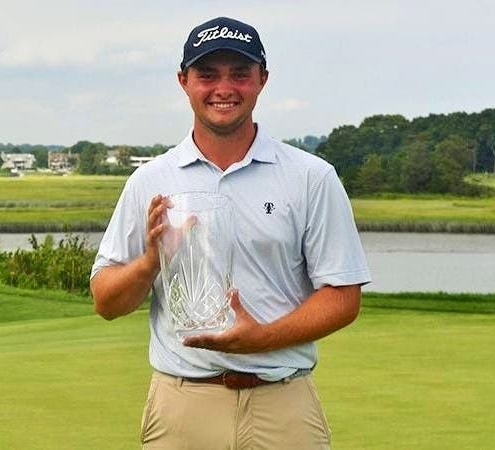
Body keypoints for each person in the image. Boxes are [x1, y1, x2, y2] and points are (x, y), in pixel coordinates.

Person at [90, 16, 371, 450]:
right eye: (208, 74)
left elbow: (343, 296)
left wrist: (262, 339)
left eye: (240, 73)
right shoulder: (151, 180)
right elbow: (107, 302)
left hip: (283, 403)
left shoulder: (311, 176)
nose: (224, 88)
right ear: (184, 81)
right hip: (182, 404)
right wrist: (151, 261)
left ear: (262, 79)